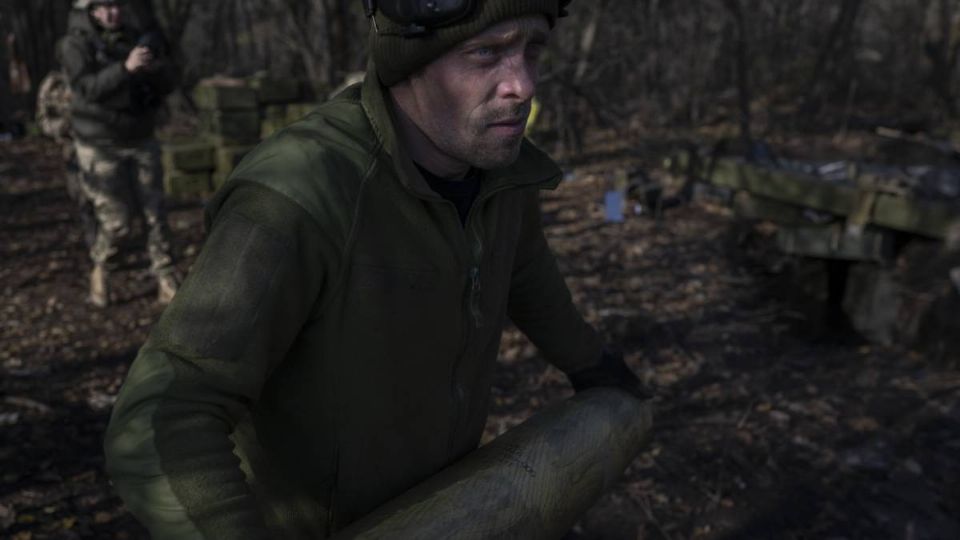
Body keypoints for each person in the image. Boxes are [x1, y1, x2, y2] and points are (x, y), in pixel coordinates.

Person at [104, 1, 648, 538]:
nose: (523, 85)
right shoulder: (301, 192)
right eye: (485, 53)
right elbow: (163, 415)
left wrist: (591, 362)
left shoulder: (495, 170)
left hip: (446, 505)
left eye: (532, 49)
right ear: (409, 60)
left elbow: (525, 272)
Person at [60, 0, 179, 307]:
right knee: (117, 223)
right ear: (91, 11)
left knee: (156, 215)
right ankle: (103, 267)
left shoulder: (136, 37)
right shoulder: (75, 45)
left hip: (140, 137)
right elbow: (87, 89)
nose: (113, 13)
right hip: (99, 143)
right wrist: (124, 69)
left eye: (116, 5)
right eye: (104, 7)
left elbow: (168, 83)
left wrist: (153, 69)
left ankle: (166, 278)